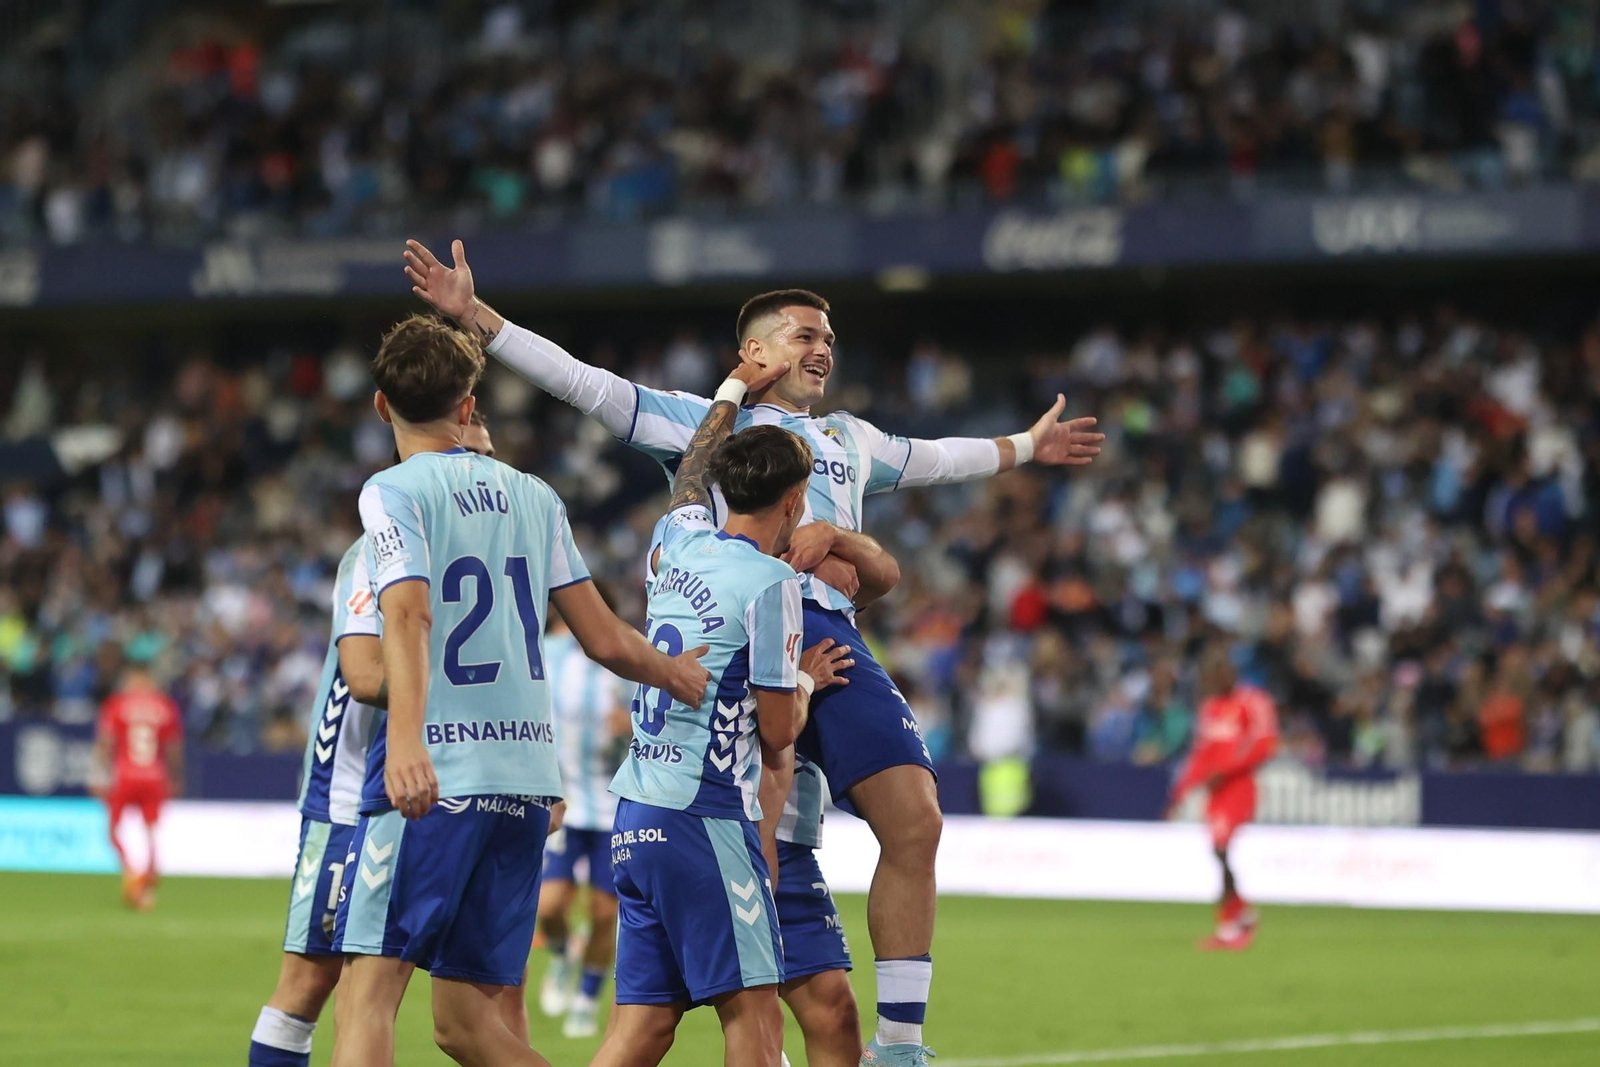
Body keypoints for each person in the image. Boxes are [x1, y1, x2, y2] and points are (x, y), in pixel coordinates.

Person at [404, 238, 1103, 1064]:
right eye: (804, 334)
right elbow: (585, 383)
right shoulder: (705, 426)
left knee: (897, 845)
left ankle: (902, 1042)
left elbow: (939, 459)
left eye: (830, 339)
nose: (823, 348)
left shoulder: (849, 437)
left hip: (812, 653)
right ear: (754, 352)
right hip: (748, 672)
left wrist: (1026, 445)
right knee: (721, 1003)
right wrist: (477, 319)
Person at [326, 314, 710, 1067]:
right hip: (524, 785)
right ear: (471, 405)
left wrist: (405, 740)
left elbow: (406, 607)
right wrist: (672, 669)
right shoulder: (535, 496)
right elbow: (602, 637)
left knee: (366, 994)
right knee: (467, 1024)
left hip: (434, 775)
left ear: (380, 406)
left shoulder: (391, 491)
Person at [590, 358, 853, 1067]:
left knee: (640, 1030)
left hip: (635, 814)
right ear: (796, 502)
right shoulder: (772, 582)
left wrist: (734, 387)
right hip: (703, 820)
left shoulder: (675, 543)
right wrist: (801, 683)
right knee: (756, 1025)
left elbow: (688, 473)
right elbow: (775, 733)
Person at [246, 415, 498, 1067]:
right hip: (352, 786)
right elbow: (366, 677)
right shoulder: (381, 546)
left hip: (427, 781)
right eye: (475, 449)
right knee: (315, 980)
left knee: (404, 990)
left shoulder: (482, 546)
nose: (487, 469)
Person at [643, 516, 892, 1067]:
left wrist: (837, 540)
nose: (848, 584)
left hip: (779, 826)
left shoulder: (763, 580)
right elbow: (773, 735)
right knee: (688, 1024)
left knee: (832, 1010)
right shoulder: (743, 580)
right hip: (731, 826)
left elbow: (881, 575)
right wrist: (802, 681)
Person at [534, 596, 633, 1038]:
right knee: (548, 906)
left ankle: (588, 997)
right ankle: (561, 952)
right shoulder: (551, 654)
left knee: (603, 913)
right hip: (563, 801)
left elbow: (660, 718)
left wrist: (633, 723)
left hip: (611, 807)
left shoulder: (627, 661)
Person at [1166, 646, 1280, 950]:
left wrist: (1226, 771)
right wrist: (1180, 793)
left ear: (1230, 672)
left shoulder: (1253, 702)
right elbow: (1201, 755)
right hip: (1214, 792)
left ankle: (1233, 924)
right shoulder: (1211, 708)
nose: (1215, 680)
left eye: (1219, 673)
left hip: (1239, 787)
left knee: (1221, 848)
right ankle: (1240, 915)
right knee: (1218, 852)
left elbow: (1265, 744)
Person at [92, 665, 183, 909]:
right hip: (155, 775)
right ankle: (150, 872)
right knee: (151, 829)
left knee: (113, 830)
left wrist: (100, 775)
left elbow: (106, 742)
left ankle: (131, 874)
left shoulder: (116, 704)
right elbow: (173, 747)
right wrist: (174, 777)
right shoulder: (165, 705)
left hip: (125, 775)